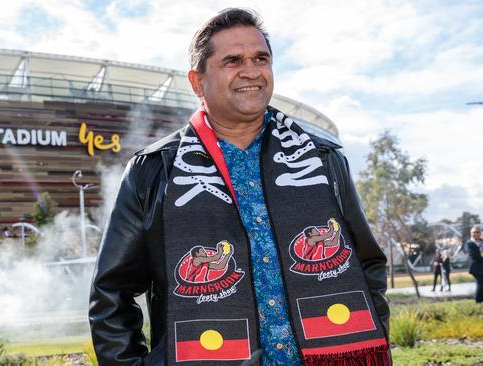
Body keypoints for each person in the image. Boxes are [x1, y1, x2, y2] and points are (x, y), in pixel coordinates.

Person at [89, 8, 390, 365]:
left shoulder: (321, 158)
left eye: (261, 58)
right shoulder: (154, 171)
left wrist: (370, 340)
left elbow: (367, 263)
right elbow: (112, 295)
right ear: (198, 82)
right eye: (233, 60)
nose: (252, 71)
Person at [467, 225, 483, 303]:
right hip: (476, 267)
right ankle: (478, 301)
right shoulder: (470, 243)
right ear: (471, 233)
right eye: (474, 232)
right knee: (480, 284)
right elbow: (475, 256)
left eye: (477, 232)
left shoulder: (482, 241)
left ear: (480, 233)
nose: (475, 233)